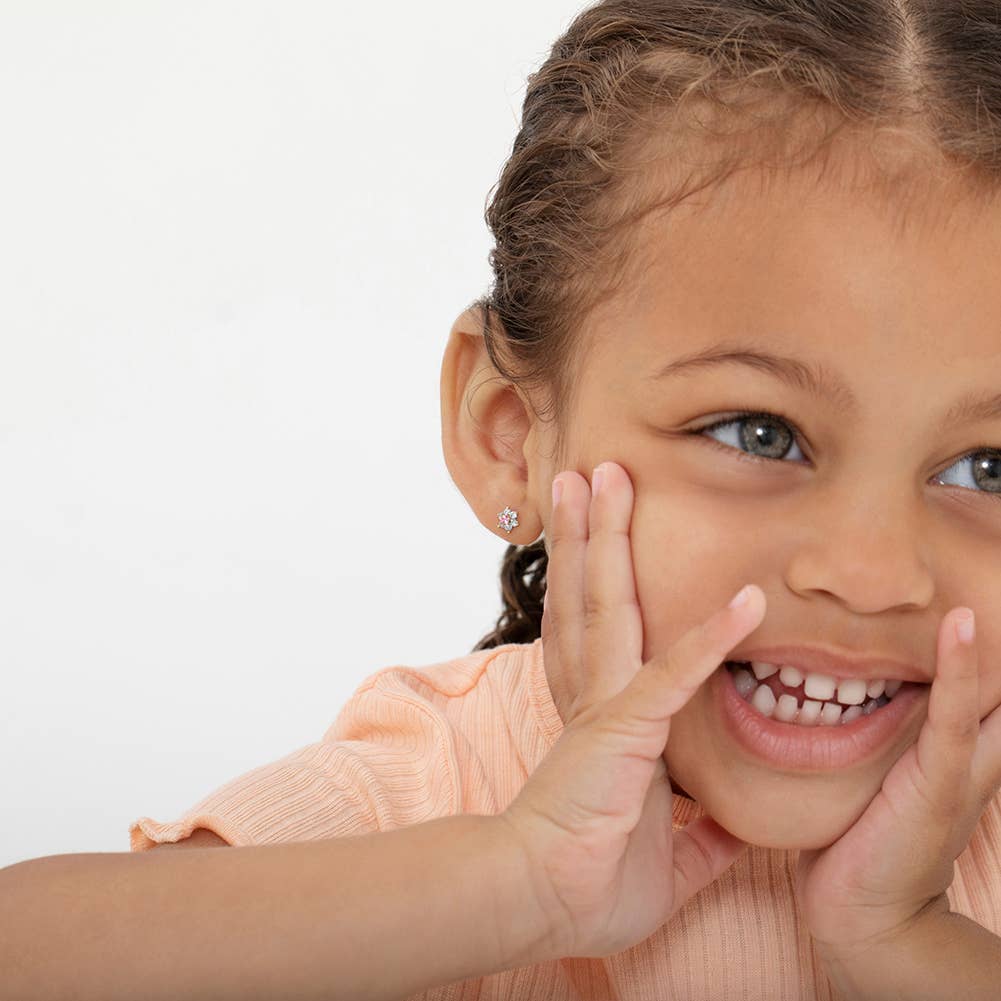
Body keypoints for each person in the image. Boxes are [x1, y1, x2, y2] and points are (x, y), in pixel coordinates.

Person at [5, 1, 1001, 998]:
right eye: (757, 434)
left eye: (985, 468)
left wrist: (903, 941)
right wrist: (521, 879)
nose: (870, 572)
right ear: (508, 433)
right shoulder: (441, 791)